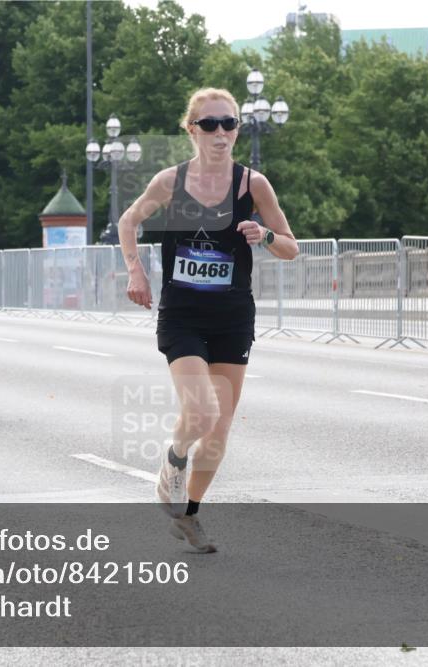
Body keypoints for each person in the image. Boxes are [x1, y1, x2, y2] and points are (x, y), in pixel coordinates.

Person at [118, 88, 298, 552]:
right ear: (191, 129)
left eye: (230, 123)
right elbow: (128, 220)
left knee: (218, 433)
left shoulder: (252, 185)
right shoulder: (170, 181)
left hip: (233, 317)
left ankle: (190, 515)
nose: (222, 133)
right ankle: (173, 462)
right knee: (201, 414)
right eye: (211, 124)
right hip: (183, 316)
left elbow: (290, 247)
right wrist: (135, 268)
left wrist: (266, 234)